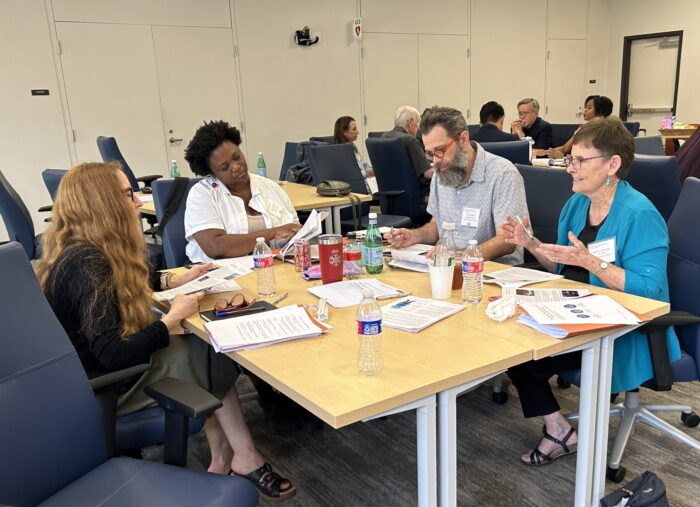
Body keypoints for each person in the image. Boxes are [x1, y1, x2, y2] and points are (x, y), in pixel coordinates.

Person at [37, 162, 296, 501]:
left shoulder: (79, 249)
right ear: (103, 203)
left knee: (198, 349)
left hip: (76, 380)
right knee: (207, 349)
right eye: (128, 195)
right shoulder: (89, 264)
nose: (136, 203)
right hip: (102, 390)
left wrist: (173, 279)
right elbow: (114, 353)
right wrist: (170, 320)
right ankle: (242, 458)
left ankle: (226, 458)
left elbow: (125, 283)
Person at [500, 117, 680, 466]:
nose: (571, 168)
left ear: (613, 164)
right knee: (512, 342)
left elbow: (650, 291)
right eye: (571, 159)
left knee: (525, 357)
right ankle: (559, 429)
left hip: (624, 329)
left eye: (581, 161)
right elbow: (563, 267)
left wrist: (593, 264)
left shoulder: (640, 214)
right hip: (578, 314)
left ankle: (561, 434)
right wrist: (531, 244)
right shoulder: (578, 204)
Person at [388, 106, 528, 265]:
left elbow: (508, 240)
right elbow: (436, 225)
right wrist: (415, 236)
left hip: (493, 273)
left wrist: (459, 256)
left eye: (440, 150)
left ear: (463, 139)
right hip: (451, 269)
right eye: (429, 153)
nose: (435, 160)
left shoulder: (503, 174)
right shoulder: (441, 171)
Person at [184, 120, 301, 263]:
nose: (236, 167)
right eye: (225, 167)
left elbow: (295, 232)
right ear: (212, 173)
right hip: (221, 275)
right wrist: (271, 233)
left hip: (275, 267)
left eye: (237, 157)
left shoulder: (271, 187)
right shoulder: (202, 194)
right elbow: (215, 246)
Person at [381, 105, 433, 199]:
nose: (418, 127)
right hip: (417, 196)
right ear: (410, 122)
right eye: (418, 122)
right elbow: (428, 173)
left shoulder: (384, 137)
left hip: (391, 197)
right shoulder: (410, 140)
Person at [545, 95, 613, 159]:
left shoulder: (605, 131)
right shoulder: (582, 128)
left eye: (589, 108)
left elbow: (591, 157)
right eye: (585, 107)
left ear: (600, 112)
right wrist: (545, 152)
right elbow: (565, 148)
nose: (585, 110)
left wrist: (563, 158)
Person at [333, 115, 375, 191]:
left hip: (365, 183)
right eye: (354, 129)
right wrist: (367, 173)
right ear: (345, 132)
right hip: (357, 188)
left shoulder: (351, 146)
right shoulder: (341, 152)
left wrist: (376, 167)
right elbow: (349, 176)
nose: (357, 132)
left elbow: (362, 166)